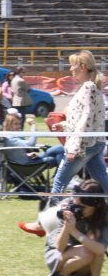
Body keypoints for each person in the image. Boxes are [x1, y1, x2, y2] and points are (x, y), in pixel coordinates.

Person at [49, 50, 108, 196]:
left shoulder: (88, 87)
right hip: (94, 143)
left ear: (82, 66)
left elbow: (86, 117)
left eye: (72, 65)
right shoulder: (92, 87)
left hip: (84, 145)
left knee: (59, 182)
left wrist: (75, 146)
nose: (70, 69)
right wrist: (64, 125)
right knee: (103, 181)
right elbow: (87, 119)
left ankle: (50, 215)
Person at [45, 179, 108, 276]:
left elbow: (100, 250)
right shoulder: (67, 208)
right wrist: (67, 227)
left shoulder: (104, 215)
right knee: (87, 252)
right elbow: (59, 247)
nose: (78, 209)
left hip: (84, 263)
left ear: (96, 206)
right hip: (59, 257)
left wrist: (75, 232)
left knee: (93, 246)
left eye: (83, 207)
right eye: (76, 204)